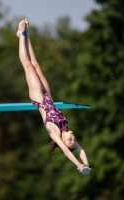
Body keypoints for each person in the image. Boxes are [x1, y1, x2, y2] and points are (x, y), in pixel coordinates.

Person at [16, 19, 91, 175]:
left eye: (70, 140)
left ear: (63, 142)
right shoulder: (65, 128)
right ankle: (27, 34)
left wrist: (78, 165)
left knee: (28, 65)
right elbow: (80, 149)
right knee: (36, 65)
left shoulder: (55, 133)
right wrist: (86, 164)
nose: (73, 137)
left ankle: (21, 36)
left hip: (39, 99)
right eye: (73, 140)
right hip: (48, 97)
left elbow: (68, 151)